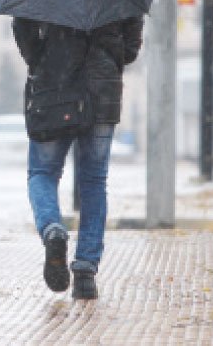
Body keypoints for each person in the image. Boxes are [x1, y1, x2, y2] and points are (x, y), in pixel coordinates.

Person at [12, 15, 144, 299]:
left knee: (43, 173)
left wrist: (43, 58)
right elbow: (131, 49)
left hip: (53, 91)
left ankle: (52, 229)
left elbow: (24, 30)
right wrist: (108, 57)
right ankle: (85, 270)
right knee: (94, 181)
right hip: (102, 95)